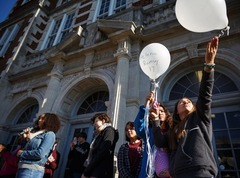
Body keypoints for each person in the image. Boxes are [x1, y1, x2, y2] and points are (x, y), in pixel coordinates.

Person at [151, 36, 219, 178]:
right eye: (181, 101)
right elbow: (160, 142)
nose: (186, 101)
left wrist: (209, 65)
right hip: (178, 173)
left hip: (200, 170)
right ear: (176, 110)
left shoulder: (200, 117)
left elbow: (205, 95)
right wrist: (156, 120)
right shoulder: (173, 130)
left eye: (188, 100)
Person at [134, 92, 172, 178]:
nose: (160, 113)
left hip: (169, 172)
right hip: (149, 172)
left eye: (162, 111)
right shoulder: (149, 130)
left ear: (166, 114)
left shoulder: (172, 130)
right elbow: (138, 128)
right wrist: (146, 105)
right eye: (158, 111)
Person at [16, 113, 61, 178]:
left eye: (42, 118)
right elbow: (26, 148)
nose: (39, 120)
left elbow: (40, 154)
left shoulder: (50, 134)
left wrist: (22, 153)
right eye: (39, 118)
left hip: (32, 170)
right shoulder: (36, 134)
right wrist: (26, 138)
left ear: (49, 121)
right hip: (22, 167)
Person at [81, 113, 119, 178]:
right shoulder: (99, 134)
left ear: (103, 121)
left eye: (96, 121)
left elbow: (103, 152)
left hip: (101, 170)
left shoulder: (109, 130)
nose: (94, 124)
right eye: (94, 122)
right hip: (95, 169)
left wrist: (87, 171)